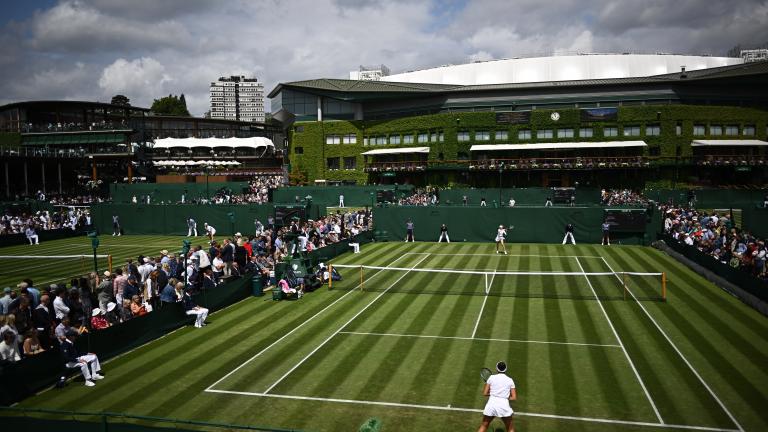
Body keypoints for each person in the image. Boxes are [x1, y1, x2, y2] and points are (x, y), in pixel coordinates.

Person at [477, 361, 517, 432]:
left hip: (491, 405)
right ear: (506, 369)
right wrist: (505, 396)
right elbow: (514, 397)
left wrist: (493, 393)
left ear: (497, 369)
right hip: (503, 405)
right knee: (510, 428)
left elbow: (485, 393)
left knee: (484, 426)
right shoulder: (510, 380)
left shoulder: (491, 378)